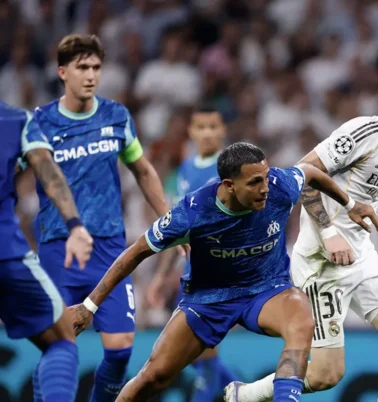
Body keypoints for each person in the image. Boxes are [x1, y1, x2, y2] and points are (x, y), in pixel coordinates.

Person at [67, 142, 378, 402]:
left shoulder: (280, 186)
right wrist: (88, 306)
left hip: (266, 290)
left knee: (301, 316)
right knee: (153, 377)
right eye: (254, 182)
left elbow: (310, 172)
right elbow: (135, 253)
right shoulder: (192, 213)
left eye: (265, 177)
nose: (265, 189)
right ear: (228, 185)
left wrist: (350, 204)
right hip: (208, 300)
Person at [230, 65, 378, 402]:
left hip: (361, 255)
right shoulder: (361, 133)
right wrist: (329, 233)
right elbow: (303, 174)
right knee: (326, 375)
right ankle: (244, 395)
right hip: (321, 263)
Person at [32, 34, 176, 402]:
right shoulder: (40, 122)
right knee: (59, 346)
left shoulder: (116, 116)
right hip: (58, 247)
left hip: (109, 248)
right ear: (62, 72)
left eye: (96, 67)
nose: (91, 75)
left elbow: (143, 171)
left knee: (121, 348)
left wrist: (172, 223)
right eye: (82, 67)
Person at [0, 101, 94, 401]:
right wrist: (75, 225)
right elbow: (47, 169)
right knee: (60, 338)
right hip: (5, 252)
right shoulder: (16, 120)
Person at [146, 106, 239, 401]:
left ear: (223, 130)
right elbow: (177, 225)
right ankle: (251, 394)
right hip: (190, 273)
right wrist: (161, 275)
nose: (208, 133)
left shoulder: (231, 168)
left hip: (219, 272)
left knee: (202, 354)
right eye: (202, 127)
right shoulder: (185, 169)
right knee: (198, 357)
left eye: (213, 126)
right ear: (191, 132)